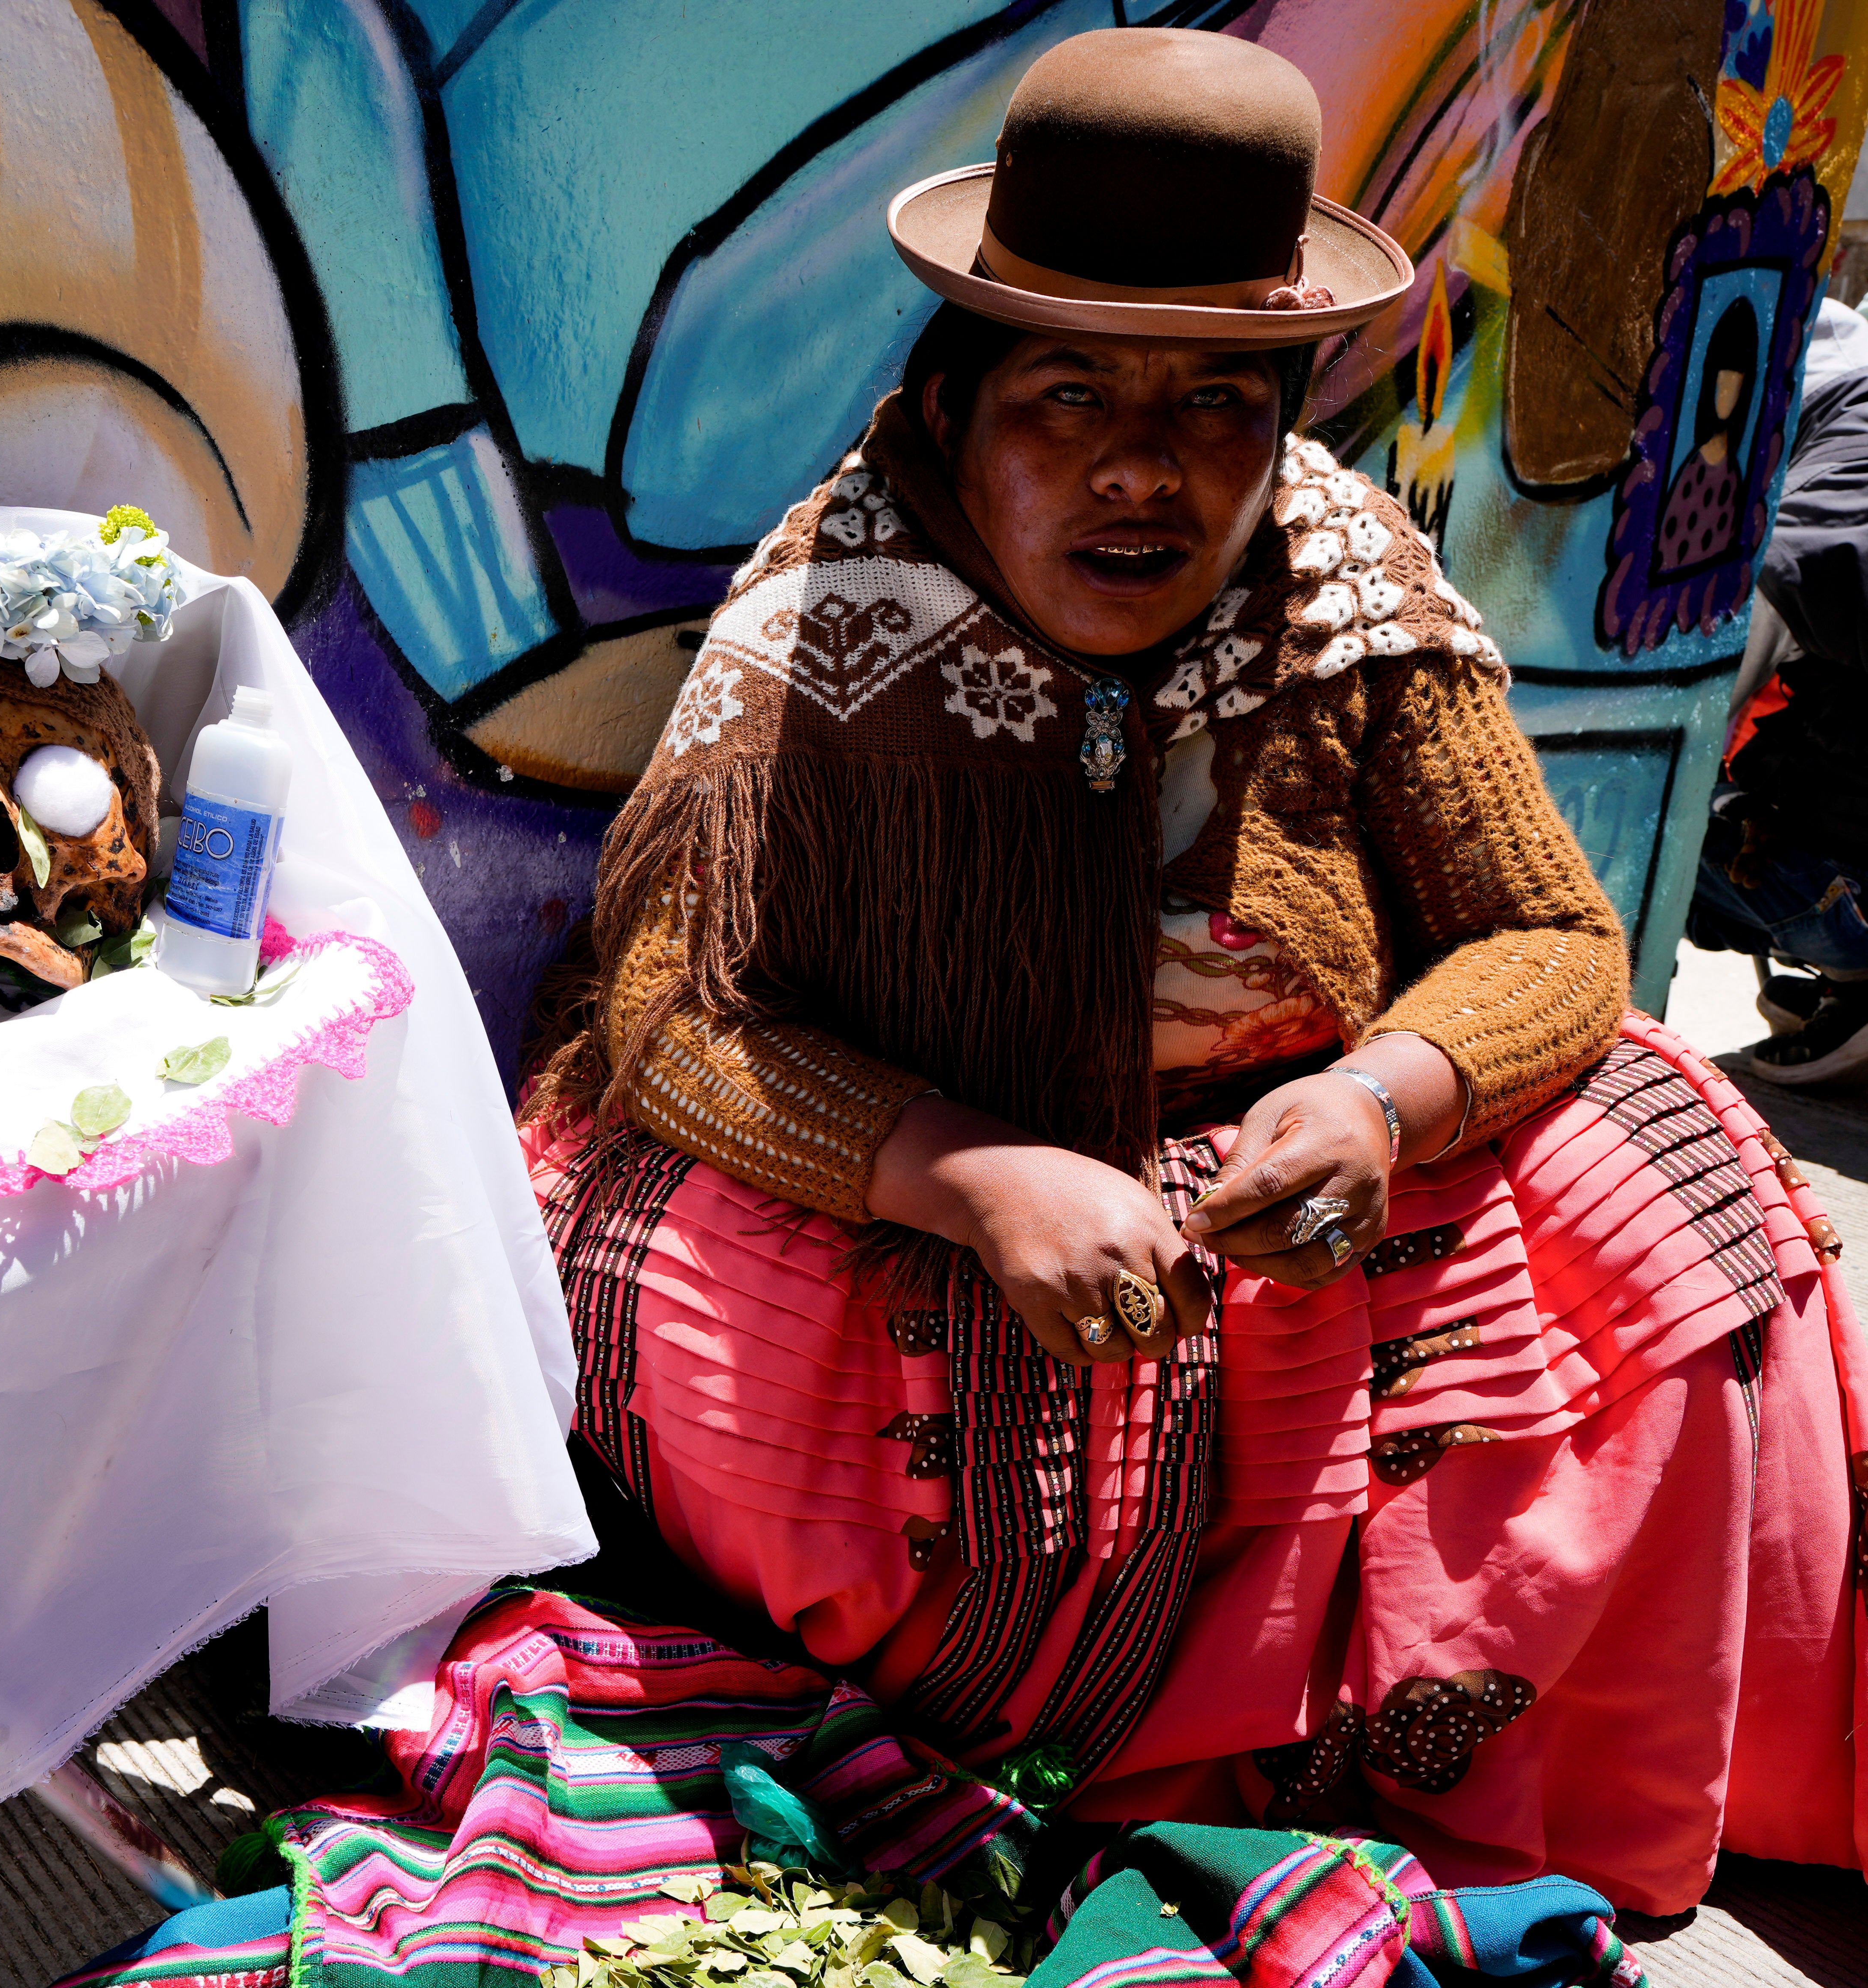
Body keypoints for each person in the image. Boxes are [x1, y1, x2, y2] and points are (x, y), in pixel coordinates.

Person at [523, 29, 1863, 1914]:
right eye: (1064, 396)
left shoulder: (1344, 578)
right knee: (665, 1265)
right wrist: (970, 1172)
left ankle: (1452, 1736)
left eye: (1218, 404)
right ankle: (1060, 1734)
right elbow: (671, 1023)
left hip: (1276, 1201)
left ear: (1282, 416)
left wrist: (1370, 1101)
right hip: (927, 1205)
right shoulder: (827, 609)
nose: (1142, 469)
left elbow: (1553, 938)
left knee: (1667, 1141)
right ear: (959, 404)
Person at [1687, 293, 1868, 1083]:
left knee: (1658, 819)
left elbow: (1692, 718)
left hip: (1853, 895)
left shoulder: (1823, 495)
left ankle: (1857, 975)